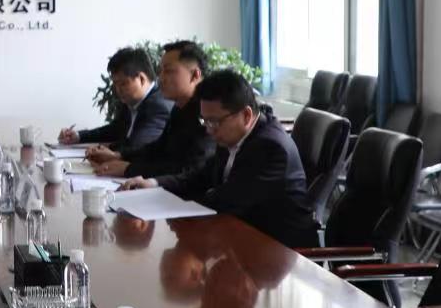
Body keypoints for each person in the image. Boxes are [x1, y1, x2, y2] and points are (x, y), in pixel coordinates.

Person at [120, 69, 319, 249]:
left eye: (214, 121)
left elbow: (227, 200)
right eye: (204, 120)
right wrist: (153, 184)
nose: (209, 130)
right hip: (244, 238)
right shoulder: (232, 134)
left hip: (282, 254)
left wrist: (165, 207)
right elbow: (198, 178)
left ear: (246, 115)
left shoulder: (270, 148)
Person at [89, 40, 214, 179]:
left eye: (169, 71)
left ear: (195, 75)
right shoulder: (180, 107)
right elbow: (158, 148)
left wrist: (129, 169)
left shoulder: (209, 112)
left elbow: (188, 169)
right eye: (161, 71)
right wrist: (119, 156)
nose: (161, 78)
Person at [56, 47, 172, 152]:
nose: (118, 90)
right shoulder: (132, 100)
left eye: (123, 83)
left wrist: (101, 149)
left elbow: (136, 146)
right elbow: (115, 129)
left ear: (141, 79)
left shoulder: (157, 105)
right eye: (115, 84)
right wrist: (78, 136)